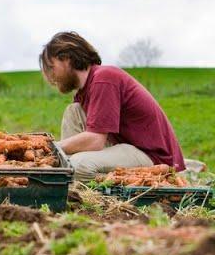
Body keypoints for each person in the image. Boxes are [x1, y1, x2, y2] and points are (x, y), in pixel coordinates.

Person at [39, 31, 186, 182]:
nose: (50, 75)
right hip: (125, 147)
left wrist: (52, 147)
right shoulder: (84, 91)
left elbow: (95, 140)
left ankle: (108, 183)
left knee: (78, 165)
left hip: (151, 156)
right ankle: (70, 172)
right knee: (73, 111)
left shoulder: (104, 79)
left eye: (51, 67)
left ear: (66, 59)